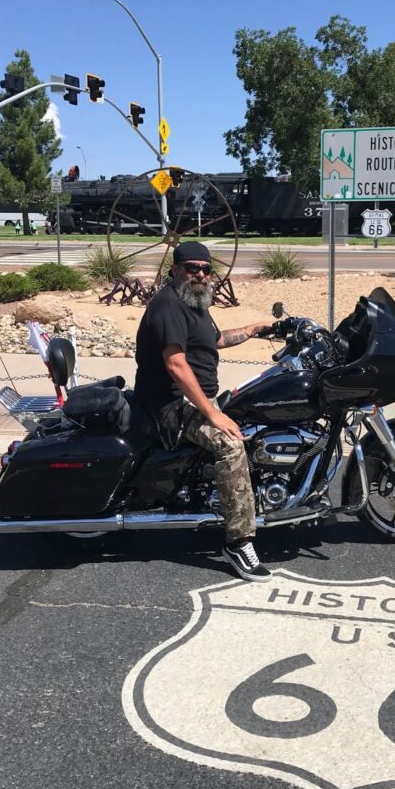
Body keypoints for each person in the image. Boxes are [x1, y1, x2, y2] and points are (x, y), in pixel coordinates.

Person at [135, 242, 272, 582]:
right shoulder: (168, 305)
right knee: (230, 443)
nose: (199, 274)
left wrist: (256, 329)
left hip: (192, 397)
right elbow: (176, 363)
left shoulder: (194, 302)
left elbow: (215, 340)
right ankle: (239, 541)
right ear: (175, 270)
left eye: (205, 269)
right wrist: (211, 413)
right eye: (192, 268)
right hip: (170, 403)